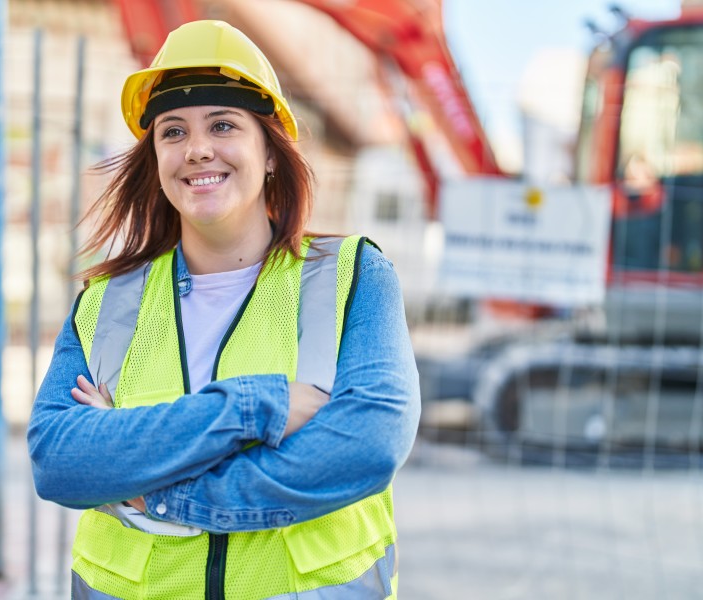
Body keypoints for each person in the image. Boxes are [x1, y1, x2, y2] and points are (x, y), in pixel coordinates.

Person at [28, 19, 420, 600]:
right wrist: (261, 405)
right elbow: (60, 459)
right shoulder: (106, 302)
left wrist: (159, 490)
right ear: (155, 158)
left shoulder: (351, 277)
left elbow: (368, 443)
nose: (198, 149)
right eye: (173, 132)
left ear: (268, 153)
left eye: (223, 125)